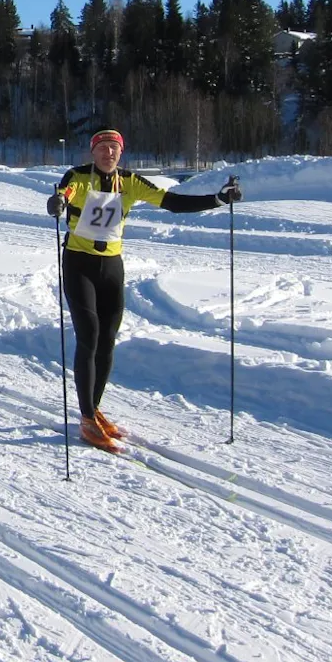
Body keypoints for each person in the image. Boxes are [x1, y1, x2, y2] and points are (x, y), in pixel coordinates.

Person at [47, 128, 242, 452]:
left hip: (112, 266)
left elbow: (173, 203)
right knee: (89, 334)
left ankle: (93, 408)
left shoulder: (131, 182)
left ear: (121, 153)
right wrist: (57, 202)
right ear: (93, 152)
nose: (109, 153)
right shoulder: (79, 176)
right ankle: (85, 418)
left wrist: (218, 199)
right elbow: (64, 194)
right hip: (79, 263)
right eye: (103, 148)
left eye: (114, 148)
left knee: (108, 337)